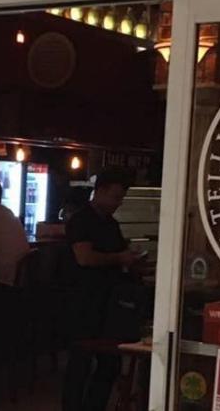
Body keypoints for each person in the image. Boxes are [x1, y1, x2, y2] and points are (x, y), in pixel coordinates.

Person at [62, 167, 141, 411]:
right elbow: (84, 257)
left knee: (109, 364)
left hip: (107, 304)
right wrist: (120, 258)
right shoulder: (81, 220)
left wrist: (130, 260)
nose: (119, 202)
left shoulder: (111, 224)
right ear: (101, 191)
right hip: (83, 301)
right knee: (80, 364)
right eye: (116, 197)